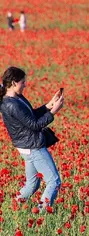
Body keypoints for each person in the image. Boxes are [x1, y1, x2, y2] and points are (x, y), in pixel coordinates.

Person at [0, 67, 64, 210]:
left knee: (32, 184)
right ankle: (42, 212)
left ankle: (13, 208)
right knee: (54, 181)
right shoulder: (11, 104)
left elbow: (31, 116)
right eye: (23, 82)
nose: (25, 85)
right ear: (14, 83)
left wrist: (49, 105)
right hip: (33, 146)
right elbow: (34, 125)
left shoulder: (17, 98)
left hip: (26, 146)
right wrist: (54, 111)